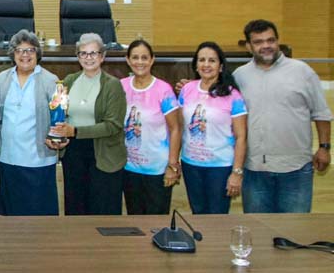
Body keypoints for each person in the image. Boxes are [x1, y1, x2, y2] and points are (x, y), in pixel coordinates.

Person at [233, 19, 331, 212]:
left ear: (278, 41)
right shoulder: (239, 76)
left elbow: (321, 113)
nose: (266, 46)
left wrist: (324, 148)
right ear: (249, 46)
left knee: (294, 232)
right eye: (259, 42)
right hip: (254, 171)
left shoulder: (302, 72)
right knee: (258, 230)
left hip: (295, 169)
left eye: (270, 40)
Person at [50, 32, 126, 215]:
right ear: (78, 57)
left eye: (93, 53)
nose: (88, 58)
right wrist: (56, 134)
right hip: (74, 152)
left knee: (102, 209)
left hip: (103, 153)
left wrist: (75, 131)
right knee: (75, 207)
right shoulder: (69, 81)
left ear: (102, 56)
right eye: (83, 53)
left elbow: (113, 126)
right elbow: (59, 114)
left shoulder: (113, 85)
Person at [0, 30, 60, 216]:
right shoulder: (2, 78)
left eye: (30, 50)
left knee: (39, 218)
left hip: (38, 160)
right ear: (13, 54)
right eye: (19, 50)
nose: (25, 55)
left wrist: (58, 137)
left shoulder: (50, 80)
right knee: (10, 218)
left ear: (38, 53)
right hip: (8, 158)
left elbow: (59, 118)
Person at [178, 41, 247, 214]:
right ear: (196, 65)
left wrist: (236, 172)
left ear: (221, 66)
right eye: (202, 60)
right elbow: (179, 128)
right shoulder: (186, 89)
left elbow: (241, 137)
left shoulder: (233, 95)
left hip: (220, 167)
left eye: (212, 60)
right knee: (197, 212)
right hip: (190, 165)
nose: (206, 65)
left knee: (217, 217)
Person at [120, 40, 182, 215]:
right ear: (128, 60)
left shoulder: (163, 90)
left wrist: (173, 165)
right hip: (129, 167)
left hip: (157, 168)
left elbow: (175, 129)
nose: (140, 62)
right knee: (135, 219)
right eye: (135, 57)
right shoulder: (121, 86)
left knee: (156, 221)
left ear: (152, 60)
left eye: (145, 57)